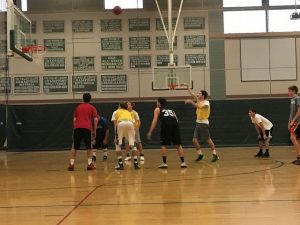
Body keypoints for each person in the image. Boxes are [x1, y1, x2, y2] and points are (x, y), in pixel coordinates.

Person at [182, 83, 219, 162]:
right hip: (198, 123)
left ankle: (215, 154)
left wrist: (191, 102)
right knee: (194, 140)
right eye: (198, 93)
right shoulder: (199, 100)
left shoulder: (206, 102)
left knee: (208, 139)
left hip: (204, 123)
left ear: (203, 95)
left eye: (199, 93)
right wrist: (187, 86)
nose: (198, 94)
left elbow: (199, 107)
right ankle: (200, 155)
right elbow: (192, 94)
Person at [147, 97, 187, 169]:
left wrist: (150, 131)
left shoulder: (157, 109)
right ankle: (183, 162)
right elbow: (177, 120)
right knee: (178, 144)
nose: (156, 103)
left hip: (166, 125)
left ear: (159, 103)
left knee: (164, 144)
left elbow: (155, 120)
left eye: (157, 102)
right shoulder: (171, 110)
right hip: (175, 125)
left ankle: (164, 163)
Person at [68, 93, 98, 171]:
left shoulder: (77, 107)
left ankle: (71, 164)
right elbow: (95, 120)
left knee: (74, 147)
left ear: (83, 99)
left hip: (77, 128)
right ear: (90, 99)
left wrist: (75, 128)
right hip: (87, 128)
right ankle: (89, 164)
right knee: (89, 147)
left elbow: (74, 119)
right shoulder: (92, 108)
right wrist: (94, 130)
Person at [112, 102, 140, 170]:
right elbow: (134, 123)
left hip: (121, 123)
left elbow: (115, 124)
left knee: (118, 144)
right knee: (133, 145)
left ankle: (120, 164)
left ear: (119, 106)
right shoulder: (129, 112)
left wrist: (116, 136)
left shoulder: (116, 112)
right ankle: (136, 164)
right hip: (130, 124)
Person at [288, 85, 300, 165]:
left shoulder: (297, 98)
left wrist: (293, 121)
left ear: (294, 91)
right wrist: (289, 121)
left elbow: (299, 111)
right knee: (297, 139)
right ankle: (298, 157)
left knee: (292, 137)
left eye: (289, 91)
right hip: (293, 121)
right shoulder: (292, 99)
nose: (288, 93)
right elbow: (292, 112)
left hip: (297, 121)